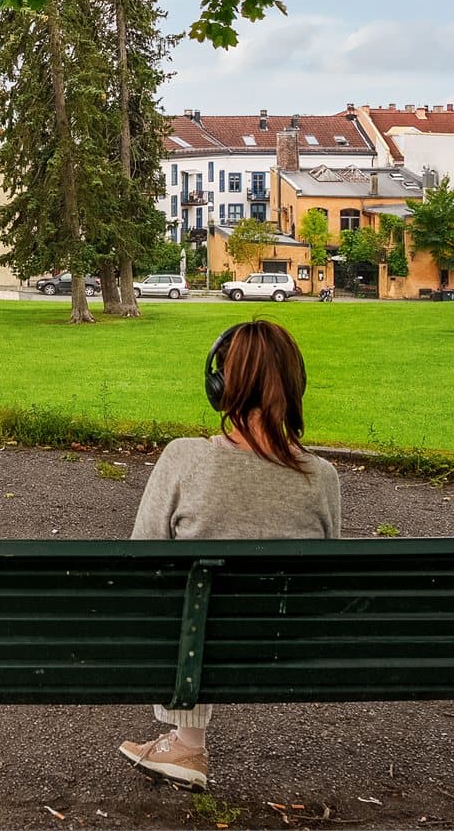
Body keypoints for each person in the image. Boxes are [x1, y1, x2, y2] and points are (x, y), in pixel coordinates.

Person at [118, 318, 342, 790]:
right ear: (294, 386)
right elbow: (326, 576)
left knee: (180, 606)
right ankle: (185, 745)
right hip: (285, 649)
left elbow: (139, 561)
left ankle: (188, 742)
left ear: (220, 387)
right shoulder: (322, 478)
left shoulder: (184, 458)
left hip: (190, 649)